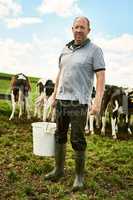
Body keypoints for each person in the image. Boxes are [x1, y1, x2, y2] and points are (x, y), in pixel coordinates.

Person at [44, 16, 105, 191]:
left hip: (79, 102)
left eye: (82, 27)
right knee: (59, 135)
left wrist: (98, 102)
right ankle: (58, 170)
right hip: (62, 101)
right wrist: (54, 95)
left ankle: (79, 177)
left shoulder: (95, 50)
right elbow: (60, 74)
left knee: (77, 139)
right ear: (72, 29)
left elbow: (101, 77)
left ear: (88, 30)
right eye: (76, 27)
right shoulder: (65, 49)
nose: (79, 30)